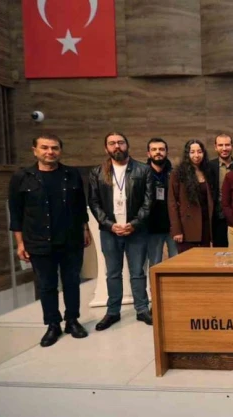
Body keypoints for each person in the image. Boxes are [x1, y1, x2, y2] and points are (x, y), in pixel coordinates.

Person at [8, 133, 91, 347]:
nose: (50, 152)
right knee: (46, 285)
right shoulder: (22, 177)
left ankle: (72, 321)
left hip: (70, 239)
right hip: (38, 241)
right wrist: (20, 243)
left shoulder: (71, 174)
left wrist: (85, 229)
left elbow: (80, 206)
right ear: (35, 150)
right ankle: (53, 324)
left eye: (54, 148)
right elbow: (16, 213)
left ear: (60, 151)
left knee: (72, 282)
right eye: (45, 147)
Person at [88, 132, 154, 330]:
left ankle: (142, 309)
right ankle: (112, 312)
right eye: (112, 143)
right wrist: (110, 224)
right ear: (106, 148)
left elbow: (148, 202)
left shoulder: (143, 170)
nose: (117, 146)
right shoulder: (97, 172)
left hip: (136, 230)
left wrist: (134, 223)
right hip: (110, 231)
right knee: (113, 273)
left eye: (121, 142)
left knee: (137, 272)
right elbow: (94, 202)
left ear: (127, 145)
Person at [168, 140, 214, 253]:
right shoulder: (178, 173)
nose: (196, 155)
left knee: (204, 260)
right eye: (192, 152)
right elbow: (172, 202)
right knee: (187, 261)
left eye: (199, 152)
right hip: (186, 227)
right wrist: (177, 230)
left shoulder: (207, 171)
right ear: (187, 154)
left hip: (205, 225)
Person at [146, 138, 177, 265]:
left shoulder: (175, 174)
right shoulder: (142, 174)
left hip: (173, 227)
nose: (158, 152)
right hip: (151, 228)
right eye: (154, 149)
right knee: (154, 265)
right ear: (148, 154)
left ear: (167, 152)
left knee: (177, 263)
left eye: (161, 149)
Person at [207, 133, 233, 247]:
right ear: (215, 147)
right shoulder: (208, 166)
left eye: (227, 145)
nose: (224, 148)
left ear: (232, 146)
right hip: (218, 217)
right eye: (221, 145)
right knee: (220, 252)